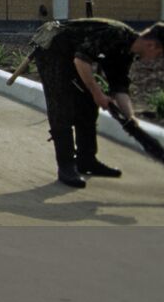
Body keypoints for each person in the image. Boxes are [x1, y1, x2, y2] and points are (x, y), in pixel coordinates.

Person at [29, 17, 164, 187]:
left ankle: (86, 161)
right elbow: (81, 60)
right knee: (61, 103)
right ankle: (66, 167)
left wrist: (130, 119)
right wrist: (97, 92)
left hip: (72, 55)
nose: (155, 59)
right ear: (152, 45)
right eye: (159, 54)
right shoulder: (115, 35)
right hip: (52, 46)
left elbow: (119, 87)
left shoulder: (127, 52)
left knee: (87, 104)